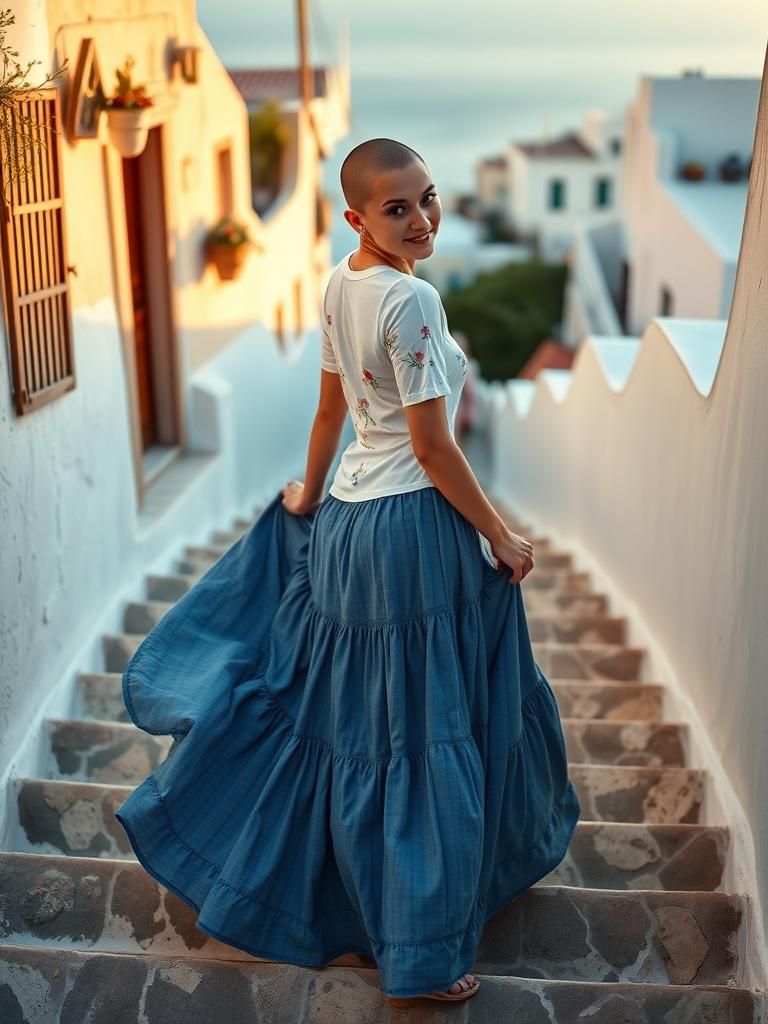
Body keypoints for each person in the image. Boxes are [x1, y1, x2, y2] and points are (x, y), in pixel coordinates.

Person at [115, 138, 581, 1010]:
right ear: (355, 216)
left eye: (429, 199)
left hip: (349, 529)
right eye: (397, 208)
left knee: (365, 725)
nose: (422, 220)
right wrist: (503, 536)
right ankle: (423, 951)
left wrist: (310, 491)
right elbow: (437, 450)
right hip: (412, 534)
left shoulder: (340, 282)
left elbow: (331, 404)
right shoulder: (412, 300)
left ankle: (364, 904)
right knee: (423, 732)